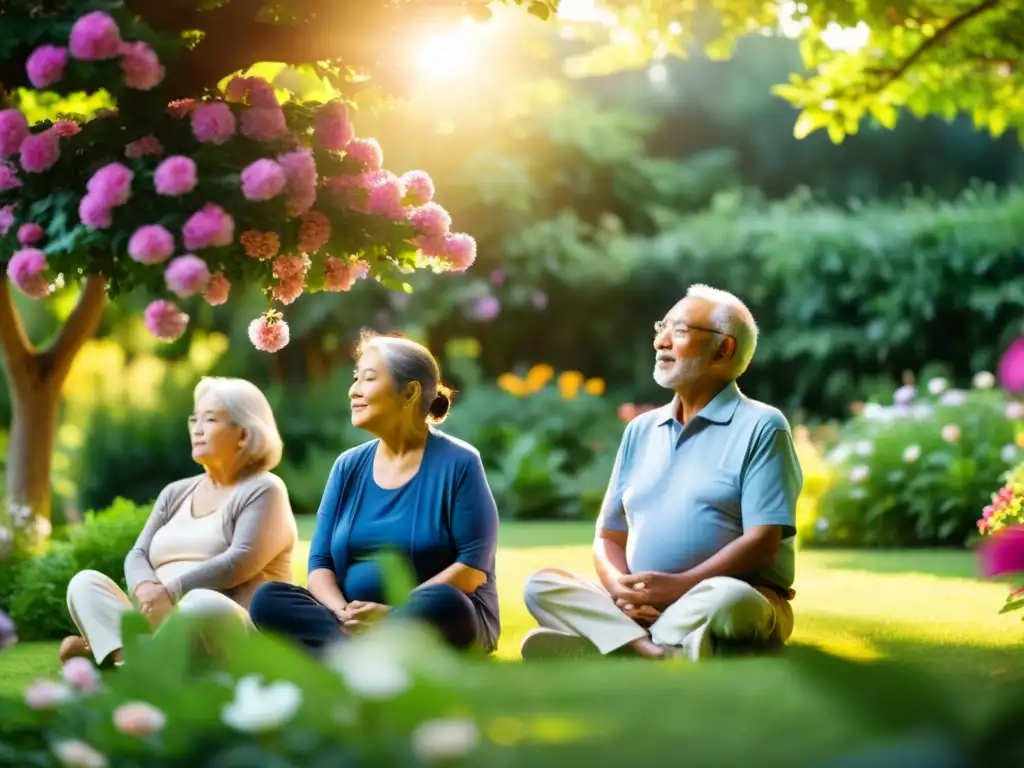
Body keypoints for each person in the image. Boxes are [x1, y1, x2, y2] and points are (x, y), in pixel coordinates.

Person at [521, 284, 803, 662]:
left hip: (723, 595)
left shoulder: (763, 425)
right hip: (642, 604)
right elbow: (608, 536)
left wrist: (677, 587)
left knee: (731, 602)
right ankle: (657, 647)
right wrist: (623, 592)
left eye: (680, 330)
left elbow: (764, 542)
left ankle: (617, 642)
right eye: (661, 328)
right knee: (541, 584)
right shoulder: (641, 429)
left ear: (723, 349)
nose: (660, 342)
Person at [249, 332, 500, 655]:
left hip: (430, 614)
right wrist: (342, 612)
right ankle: (356, 649)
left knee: (446, 603)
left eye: (368, 379)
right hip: (349, 620)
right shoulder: (348, 466)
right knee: (268, 598)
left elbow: (471, 570)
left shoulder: (460, 462)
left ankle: (350, 649)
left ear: (409, 392)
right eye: (356, 378)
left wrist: (392, 615)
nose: (354, 390)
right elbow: (320, 564)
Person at [60, 377, 298, 666]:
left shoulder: (264, 489)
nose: (196, 429)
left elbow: (239, 561)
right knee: (84, 584)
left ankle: (121, 658)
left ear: (244, 433)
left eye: (209, 419)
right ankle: (138, 661)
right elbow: (138, 553)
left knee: (202, 603)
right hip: (160, 623)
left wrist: (172, 591)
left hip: (228, 627)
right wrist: (146, 589)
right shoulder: (176, 492)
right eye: (193, 419)